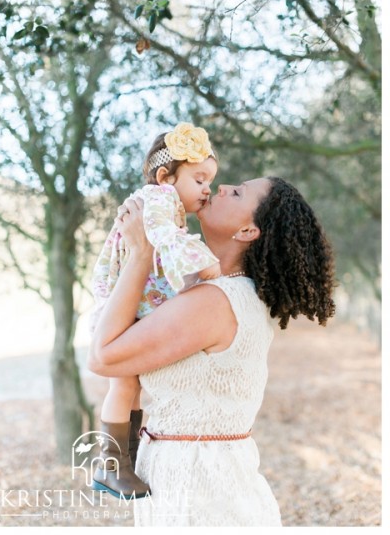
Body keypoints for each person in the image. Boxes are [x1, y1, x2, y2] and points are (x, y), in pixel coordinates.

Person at [88, 175, 336, 526]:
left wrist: (140, 252)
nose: (220, 188)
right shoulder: (229, 292)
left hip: (201, 498)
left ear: (248, 231)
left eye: (236, 193)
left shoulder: (214, 302)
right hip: (206, 485)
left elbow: (102, 357)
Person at [89, 123, 220, 499]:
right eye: (199, 179)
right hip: (125, 306)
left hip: (132, 305)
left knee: (131, 386)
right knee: (123, 384)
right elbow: (165, 240)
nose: (207, 189)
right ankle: (110, 465)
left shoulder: (165, 203)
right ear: (166, 176)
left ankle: (123, 462)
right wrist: (202, 264)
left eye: (209, 180)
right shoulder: (158, 200)